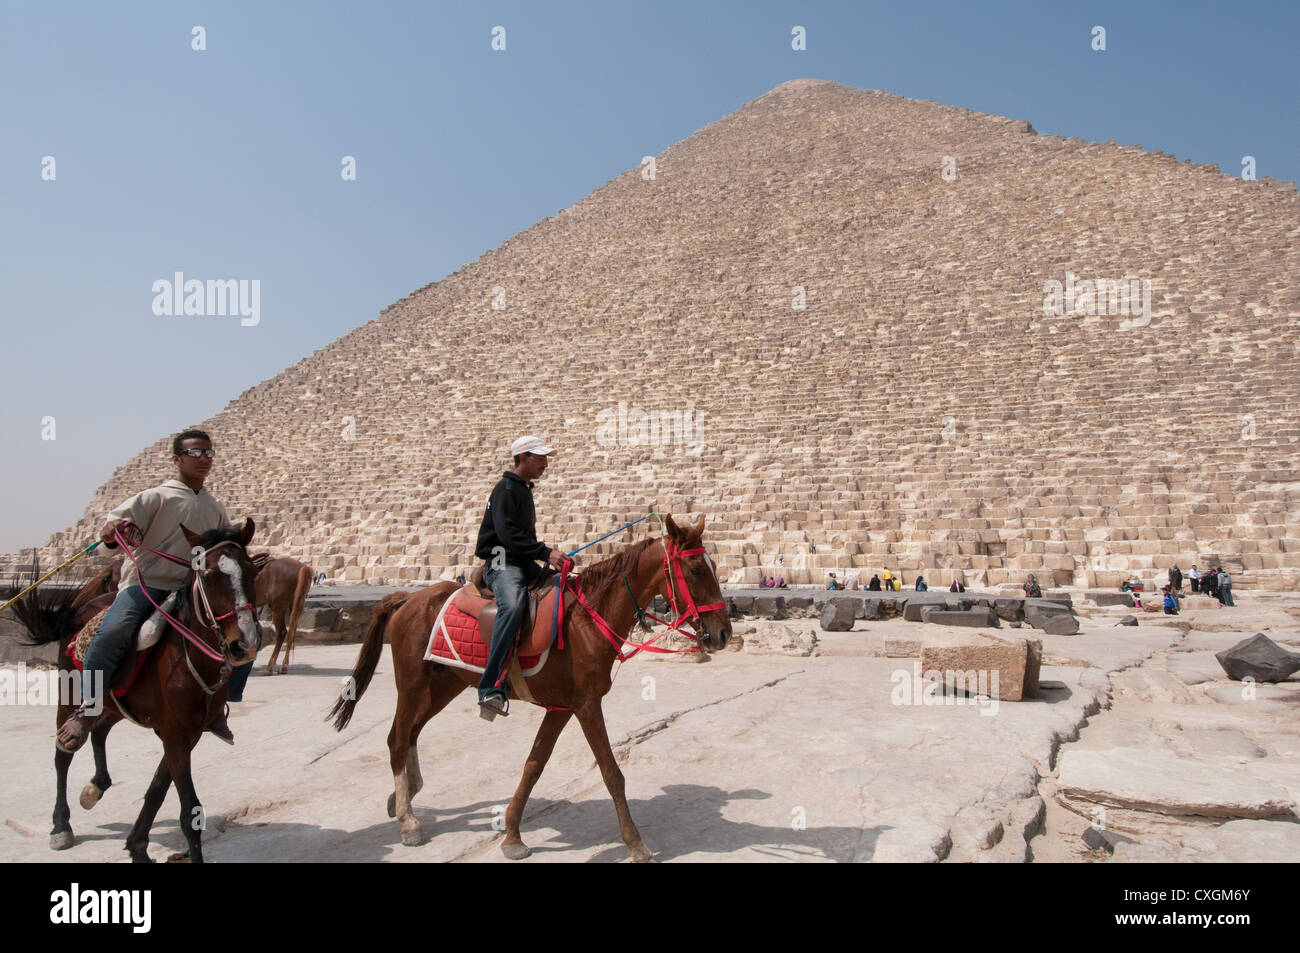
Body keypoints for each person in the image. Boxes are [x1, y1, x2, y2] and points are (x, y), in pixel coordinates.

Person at [56, 430, 236, 752]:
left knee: (242, 634)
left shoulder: (215, 506)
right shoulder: (155, 497)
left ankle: (216, 709)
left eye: (208, 453)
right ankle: (88, 708)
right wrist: (112, 532)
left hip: (191, 589)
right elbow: (112, 533)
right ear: (176, 460)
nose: (203, 459)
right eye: (195, 453)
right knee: (114, 630)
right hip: (147, 585)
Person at [473, 436, 568, 719]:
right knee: (512, 605)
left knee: (566, 587)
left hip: (523, 562)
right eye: (540, 458)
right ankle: (491, 687)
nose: (546, 464)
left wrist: (547, 557)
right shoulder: (505, 490)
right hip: (502, 561)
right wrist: (545, 552)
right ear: (523, 457)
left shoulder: (524, 489)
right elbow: (506, 537)